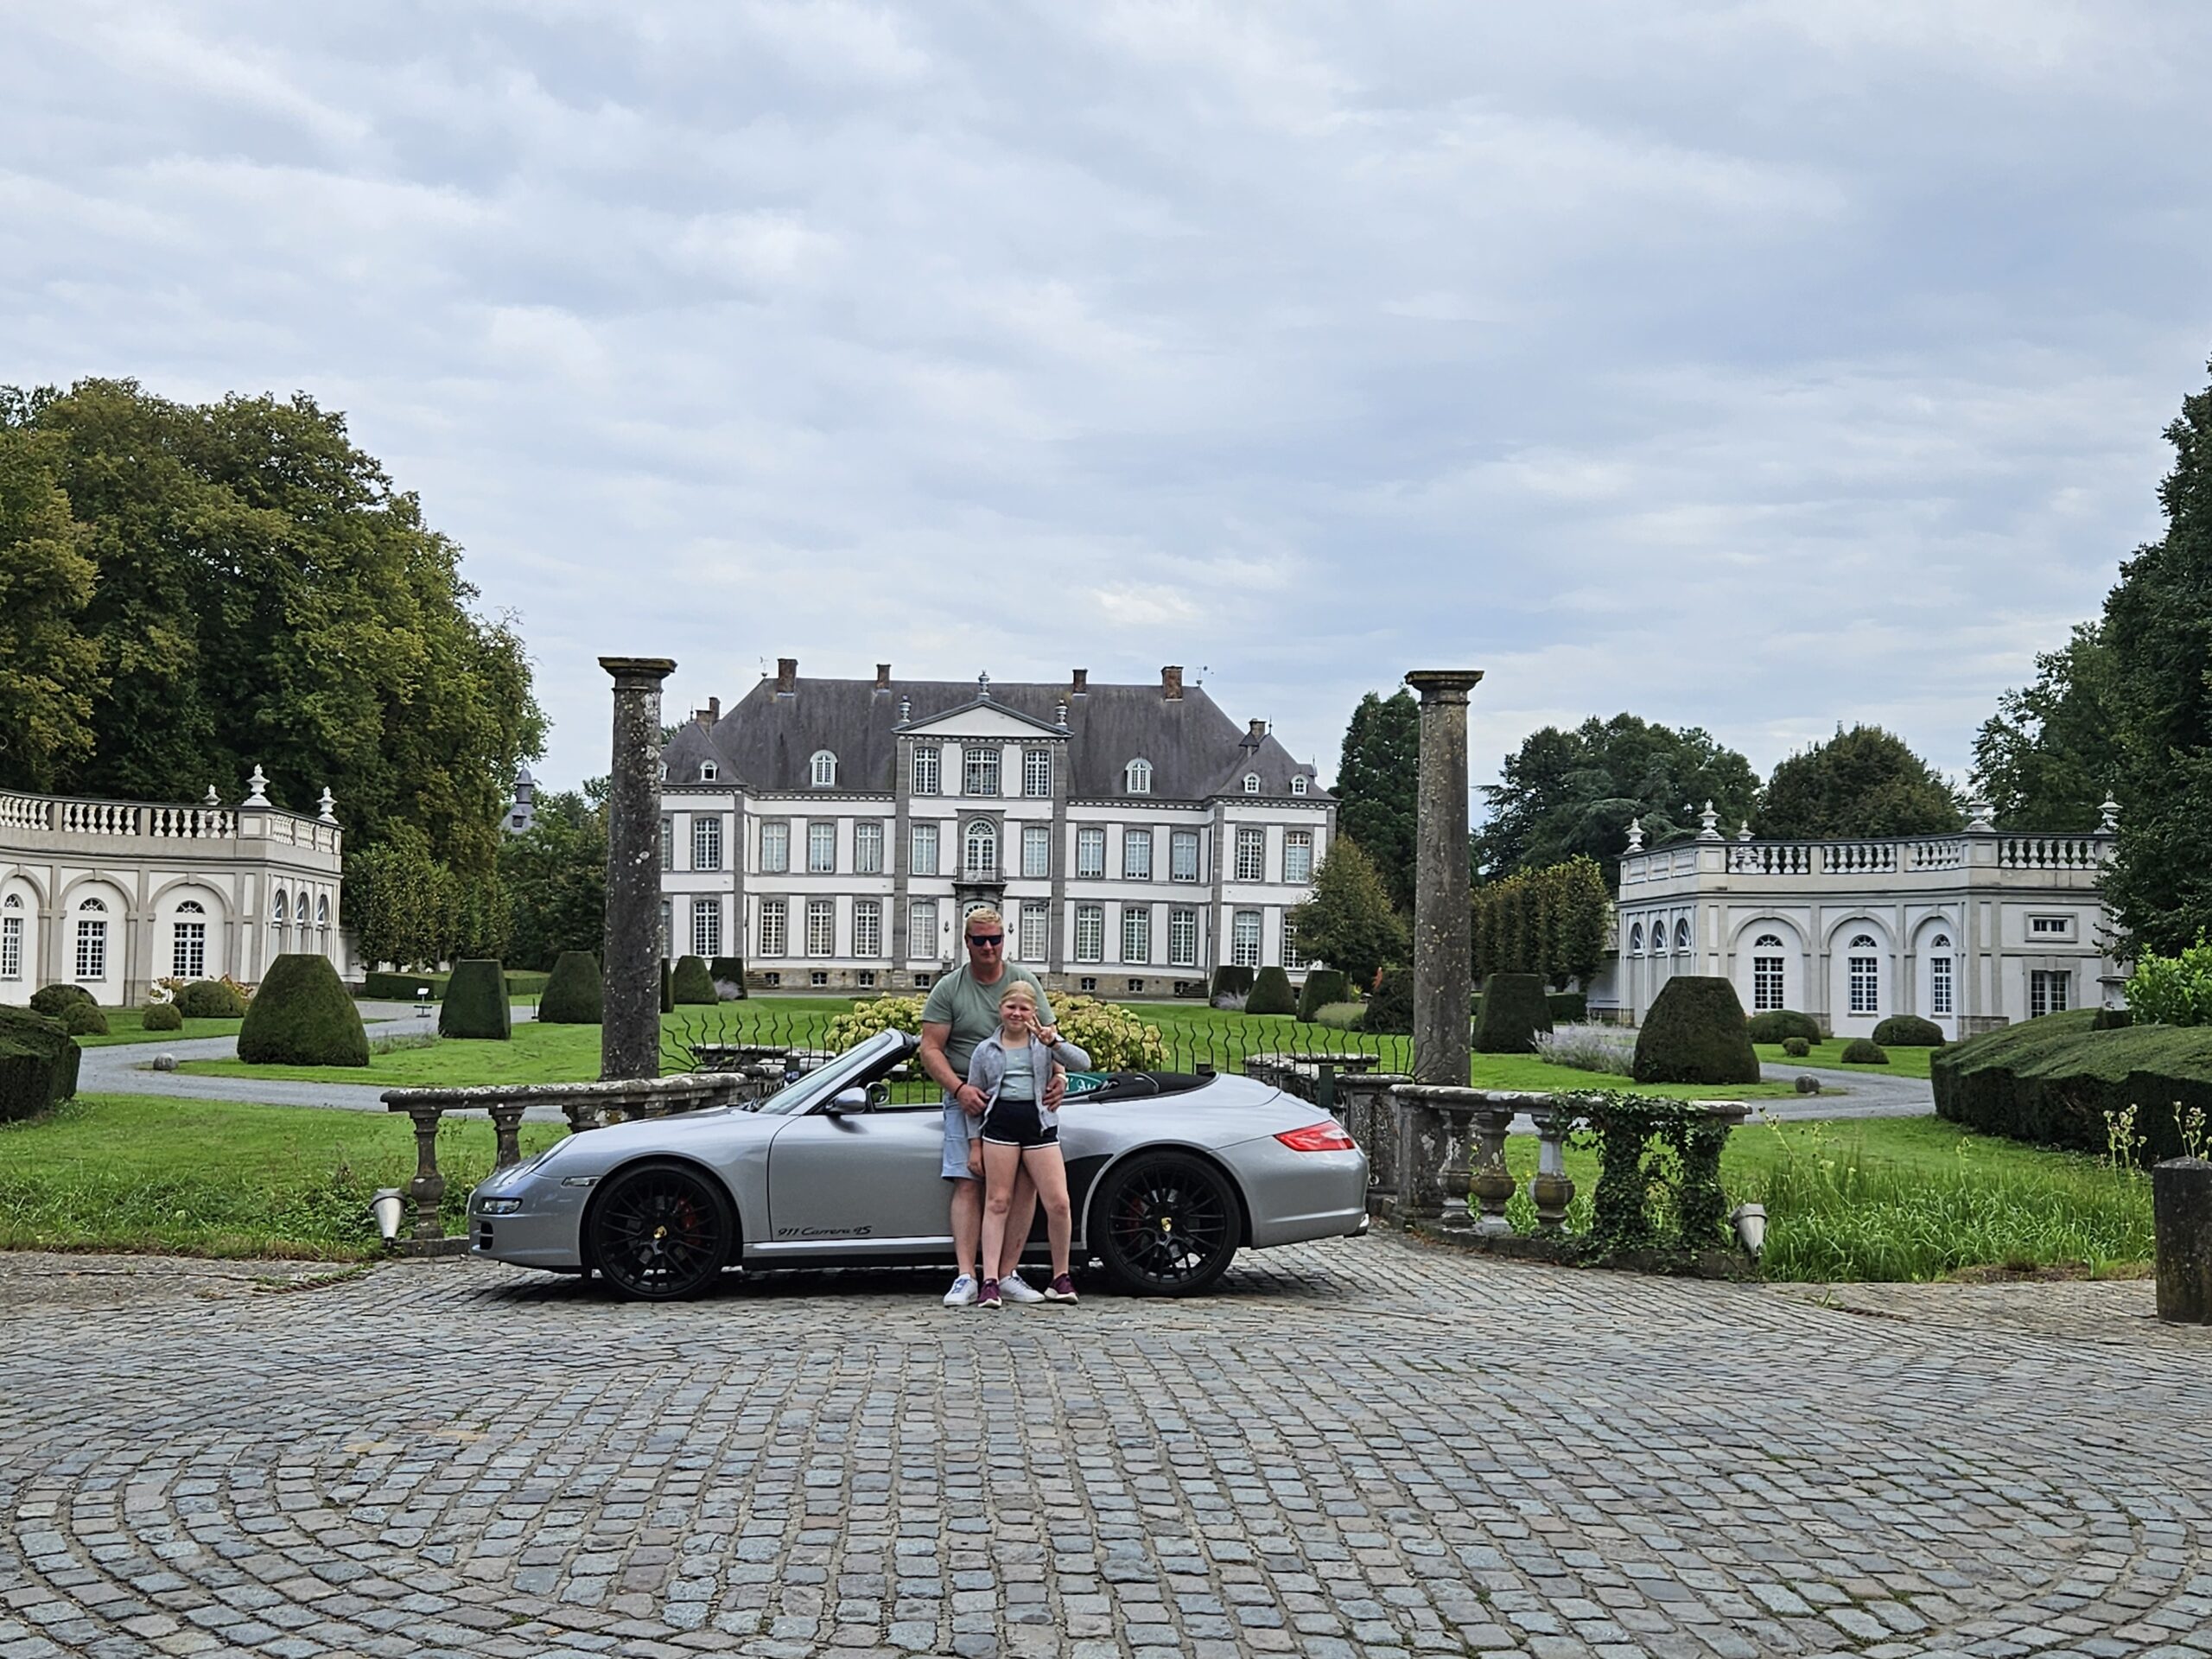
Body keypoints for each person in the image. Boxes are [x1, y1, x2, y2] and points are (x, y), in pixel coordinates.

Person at [917, 907, 1066, 1307]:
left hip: (1020, 1100)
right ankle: (967, 1275)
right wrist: (958, 1088)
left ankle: (1005, 1274)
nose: (988, 947)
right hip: (969, 1096)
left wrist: (1061, 1076)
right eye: (979, 940)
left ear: (1004, 939)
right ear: (966, 942)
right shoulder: (950, 988)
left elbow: (1050, 1037)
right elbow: (930, 1048)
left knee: (1023, 1187)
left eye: (995, 939)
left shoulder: (1023, 982)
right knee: (968, 1180)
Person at [969, 982, 1087, 1307]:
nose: (1017, 1014)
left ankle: (1060, 1277)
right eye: (1011, 1007)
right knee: (998, 1202)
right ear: (1000, 1009)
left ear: (1034, 1012)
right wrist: (974, 1144)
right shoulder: (985, 1050)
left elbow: (1083, 1063)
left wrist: (1055, 1042)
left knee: (1058, 1203)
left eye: (1024, 1008)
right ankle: (990, 1280)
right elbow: (975, 1099)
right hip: (1000, 1126)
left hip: (1039, 1126)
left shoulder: (1044, 1045)